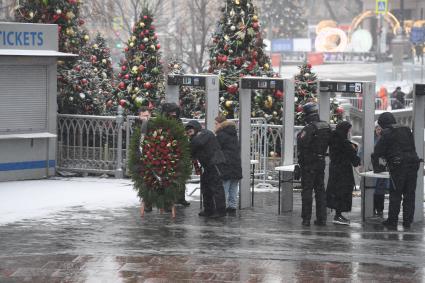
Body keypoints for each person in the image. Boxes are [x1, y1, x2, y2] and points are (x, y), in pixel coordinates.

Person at [372, 112, 420, 230]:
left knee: (396, 194)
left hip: (399, 167)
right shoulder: (406, 129)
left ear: (382, 123)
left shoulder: (387, 133)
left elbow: (377, 152)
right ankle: (407, 221)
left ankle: (392, 221)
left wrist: (377, 168)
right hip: (413, 163)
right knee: (410, 194)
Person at [297, 102, 331, 226]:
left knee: (307, 191)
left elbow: (302, 143)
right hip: (321, 162)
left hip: (309, 164)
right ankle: (322, 218)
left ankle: (306, 219)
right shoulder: (326, 126)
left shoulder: (309, 128)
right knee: (320, 190)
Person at [185, 120, 226, 218]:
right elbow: (191, 153)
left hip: (215, 163)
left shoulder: (205, 133)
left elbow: (197, 143)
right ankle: (208, 209)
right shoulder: (195, 139)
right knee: (206, 188)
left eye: (190, 131)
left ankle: (220, 211)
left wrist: (187, 142)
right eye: (188, 133)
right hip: (206, 166)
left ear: (196, 129)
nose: (189, 134)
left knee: (217, 188)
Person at [326, 121, 361, 225]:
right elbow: (353, 158)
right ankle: (338, 215)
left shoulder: (334, 138)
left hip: (335, 169)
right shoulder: (344, 142)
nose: (349, 132)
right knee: (342, 192)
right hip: (343, 171)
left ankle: (337, 215)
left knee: (335, 192)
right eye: (348, 130)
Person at [160, 102, 190, 207]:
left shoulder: (179, 121)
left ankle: (180, 197)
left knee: (180, 175)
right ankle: (167, 198)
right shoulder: (163, 122)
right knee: (167, 176)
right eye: (171, 112)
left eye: (175, 112)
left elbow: (182, 135)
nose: (174, 114)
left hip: (178, 151)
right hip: (166, 151)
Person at [214, 114, 242, 215]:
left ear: (221, 124)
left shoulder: (221, 135)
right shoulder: (233, 133)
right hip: (235, 164)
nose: (215, 126)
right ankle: (232, 207)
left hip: (226, 164)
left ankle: (220, 208)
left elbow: (216, 149)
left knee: (224, 188)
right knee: (233, 187)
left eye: (216, 124)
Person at [136, 107, 153, 213]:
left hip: (152, 156)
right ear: (139, 116)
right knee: (144, 180)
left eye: (148, 115)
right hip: (140, 156)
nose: (146, 118)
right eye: (144, 116)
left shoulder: (152, 125)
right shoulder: (137, 126)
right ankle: (147, 201)